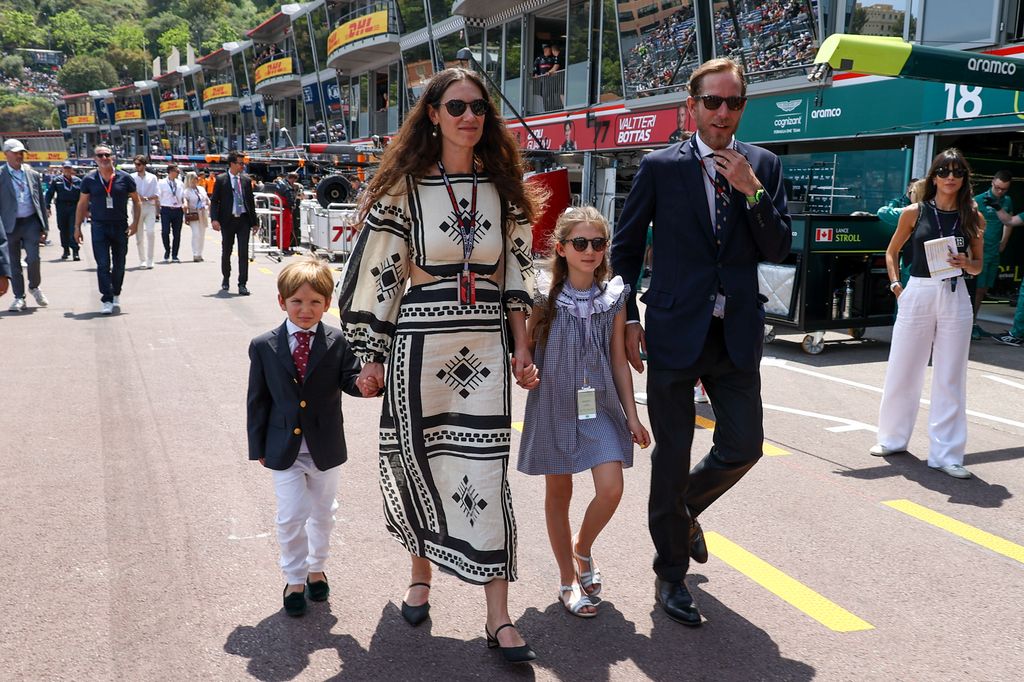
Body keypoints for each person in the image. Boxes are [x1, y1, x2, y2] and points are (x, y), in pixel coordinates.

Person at [336, 67, 542, 664]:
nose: (469, 117)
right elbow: (376, 269)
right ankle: (419, 576)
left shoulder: (504, 186)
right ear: (433, 114)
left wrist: (521, 344)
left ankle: (498, 617)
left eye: (478, 108)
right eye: (456, 108)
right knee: (420, 461)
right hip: (419, 345)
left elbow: (519, 272)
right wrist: (369, 354)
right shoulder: (405, 186)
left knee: (485, 470)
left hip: (481, 347)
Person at [610, 58, 792, 627]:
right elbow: (625, 248)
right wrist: (630, 318)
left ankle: (682, 507)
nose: (722, 113)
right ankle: (670, 576)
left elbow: (779, 247)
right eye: (712, 102)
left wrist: (752, 191)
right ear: (691, 106)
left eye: (733, 103)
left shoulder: (763, 164)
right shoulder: (660, 166)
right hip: (672, 327)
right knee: (672, 454)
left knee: (744, 445)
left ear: (743, 108)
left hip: (735, 331)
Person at [518, 206, 650, 618]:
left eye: (598, 243)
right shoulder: (543, 296)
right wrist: (525, 370)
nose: (590, 250)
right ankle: (567, 580)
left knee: (611, 488)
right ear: (561, 248)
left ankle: (583, 547)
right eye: (580, 243)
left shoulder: (613, 297)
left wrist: (631, 415)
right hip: (554, 403)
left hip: (600, 406)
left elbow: (617, 359)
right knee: (559, 494)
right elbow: (524, 349)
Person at [247, 257, 364, 617]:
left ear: (327, 304)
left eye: (315, 302)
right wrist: (258, 446)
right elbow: (258, 399)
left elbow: (350, 380)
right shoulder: (264, 345)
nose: (305, 309)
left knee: (323, 513)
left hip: (325, 447)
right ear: (281, 302)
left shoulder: (337, 340)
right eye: (297, 301)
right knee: (291, 514)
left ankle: (317, 569)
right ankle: (294, 578)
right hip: (283, 448)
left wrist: (367, 384)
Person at [870, 149, 984, 477]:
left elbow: (977, 266)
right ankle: (891, 438)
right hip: (917, 290)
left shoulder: (973, 216)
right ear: (934, 177)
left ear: (964, 179)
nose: (951, 177)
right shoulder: (914, 212)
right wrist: (896, 287)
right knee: (903, 367)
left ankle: (947, 455)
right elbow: (892, 252)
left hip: (955, 294)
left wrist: (967, 265)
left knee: (951, 374)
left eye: (957, 172)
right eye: (944, 171)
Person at [74, 145, 141, 315]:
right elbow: (82, 204)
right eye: (100, 155)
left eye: (107, 155)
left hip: (120, 225)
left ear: (113, 157)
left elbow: (136, 200)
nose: (104, 158)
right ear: (95, 159)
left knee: (119, 264)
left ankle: (116, 292)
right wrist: (77, 227)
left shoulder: (125, 178)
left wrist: (135, 224)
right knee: (103, 264)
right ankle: (107, 298)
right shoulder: (89, 180)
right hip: (99, 226)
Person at [1, 138, 51, 312]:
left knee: (33, 258)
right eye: (15, 152)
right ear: (6, 154)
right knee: (13, 262)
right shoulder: (1, 175)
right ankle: (19, 297)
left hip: (30, 221)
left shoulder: (32, 174)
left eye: (21, 152)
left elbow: (40, 202)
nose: (19, 156)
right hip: (9, 224)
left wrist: (45, 227)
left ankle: (34, 286)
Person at [970, 171, 1014, 339]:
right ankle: (970, 324)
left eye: (1004, 189)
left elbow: (1008, 222)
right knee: (977, 288)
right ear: (992, 182)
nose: (1000, 191)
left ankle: (974, 322)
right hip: (981, 251)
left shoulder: (1007, 201)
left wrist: (1003, 242)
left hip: (994, 251)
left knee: (984, 289)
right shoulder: (979, 200)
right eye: (997, 187)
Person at [210, 151, 258, 295]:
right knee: (227, 251)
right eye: (240, 163)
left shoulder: (246, 180)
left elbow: (250, 202)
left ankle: (242, 283)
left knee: (243, 253)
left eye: (243, 163)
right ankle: (226, 277)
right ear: (232, 164)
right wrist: (214, 219)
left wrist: (254, 222)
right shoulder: (221, 180)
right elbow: (214, 201)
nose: (242, 166)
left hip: (243, 220)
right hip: (227, 220)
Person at [43, 161, 82, 261]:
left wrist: (86, 208)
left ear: (72, 169)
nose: (67, 170)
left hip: (74, 207)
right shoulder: (57, 180)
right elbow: (49, 193)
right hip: (62, 207)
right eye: (65, 168)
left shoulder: (78, 180)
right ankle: (65, 249)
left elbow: (83, 195)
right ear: (62, 169)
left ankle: (75, 251)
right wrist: (47, 206)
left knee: (73, 229)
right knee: (63, 229)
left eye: (69, 168)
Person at [130, 156, 160, 269]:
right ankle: (142, 260)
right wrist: (137, 197)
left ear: (144, 165)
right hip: (137, 208)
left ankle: (150, 259)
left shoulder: (152, 178)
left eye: (139, 164)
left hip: (149, 207)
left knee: (151, 233)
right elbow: (129, 192)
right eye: (135, 164)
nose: (137, 167)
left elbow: (157, 194)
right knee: (139, 235)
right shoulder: (132, 177)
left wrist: (146, 198)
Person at [157, 164, 185, 263]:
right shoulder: (162, 183)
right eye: (175, 171)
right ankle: (167, 250)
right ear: (170, 171)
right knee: (165, 231)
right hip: (166, 209)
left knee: (177, 233)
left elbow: (183, 195)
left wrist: (184, 204)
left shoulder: (180, 183)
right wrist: (157, 210)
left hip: (178, 209)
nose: (177, 173)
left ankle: (175, 254)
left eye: (178, 171)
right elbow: (158, 196)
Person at [183, 171, 210, 262]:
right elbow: (186, 201)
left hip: (203, 212)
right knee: (196, 233)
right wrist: (186, 210)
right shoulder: (187, 191)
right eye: (194, 178)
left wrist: (207, 206)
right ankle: (195, 253)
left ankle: (200, 253)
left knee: (202, 234)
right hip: (194, 213)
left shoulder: (201, 189)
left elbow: (206, 200)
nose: (196, 179)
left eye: (197, 178)